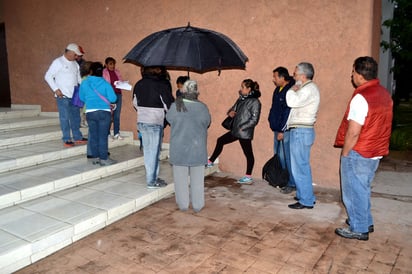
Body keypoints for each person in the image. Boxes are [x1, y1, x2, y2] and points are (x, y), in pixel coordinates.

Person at [334, 56, 393, 241]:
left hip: (359, 151)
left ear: (359, 75)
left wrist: (345, 153)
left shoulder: (362, 97)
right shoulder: (384, 93)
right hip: (375, 150)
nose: (352, 75)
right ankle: (365, 221)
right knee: (363, 188)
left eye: (353, 72)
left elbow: (353, 131)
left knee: (352, 191)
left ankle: (358, 228)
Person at [166, 80, 211, 212]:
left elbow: (169, 119)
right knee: (197, 179)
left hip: (179, 147)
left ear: (183, 91)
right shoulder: (202, 107)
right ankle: (198, 205)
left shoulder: (177, 105)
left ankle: (183, 205)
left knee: (180, 178)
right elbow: (207, 122)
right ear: (197, 92)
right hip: (197, 148)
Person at [208, 79, 261, 184]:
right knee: (221, 140)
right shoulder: (241, 99)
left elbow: (254, 119)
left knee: (248, 154)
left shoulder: (255, 102)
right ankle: (210, 161)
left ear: (249, 89)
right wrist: (230, 113)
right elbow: (232, 109)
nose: (240, 89)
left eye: (242, 87)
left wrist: (243, 127)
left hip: (244, 132)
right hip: (236, 130)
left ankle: (248, 176)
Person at [132, 66, 174, 189]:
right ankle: (152, 181)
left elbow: (134, 102)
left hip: (142, 120)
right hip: (155, 121)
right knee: (154, 153)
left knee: (148, 151)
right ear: (157, 71)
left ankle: (152, 177)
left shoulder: (139, 84)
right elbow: (168, 104)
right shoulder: (161, 84)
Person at [286, 62, 320, 209]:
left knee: (300, 166)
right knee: (300, 166)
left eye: (295, 74)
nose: (293, 77)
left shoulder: (308, 89)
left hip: (301, 131)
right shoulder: (306, 88)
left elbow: (291, 101)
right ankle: (303, 194)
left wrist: (291, 89)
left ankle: (306, 200)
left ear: (303, 75)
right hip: (300, 130)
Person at [44, 43, 88, 147]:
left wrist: (85, 87)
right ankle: (66, 138)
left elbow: (78, 79)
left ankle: (77, 137)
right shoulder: (58, 62)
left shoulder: (75, 64)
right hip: (62, 96)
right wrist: (56, 89)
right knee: (65, 117)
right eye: (75, 54)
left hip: (74, 95)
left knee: (76, 117)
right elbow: (48, 76)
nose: (77, 57)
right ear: (70, 52)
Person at [79, 62, 117, 166]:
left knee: (94, 135)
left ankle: (95, 157)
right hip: (104, 112)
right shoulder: (105, 83)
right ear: (101, 72)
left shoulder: (85, 83)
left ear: (91, 71)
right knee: (103, 136)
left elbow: (81, 98)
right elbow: (113, 98)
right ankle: (104, 158)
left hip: (90, 112)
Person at [268, 66, 296, 194]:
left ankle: (291, 183)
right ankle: (282, 180)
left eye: (275, 77)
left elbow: (287, 112)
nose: (273, 79)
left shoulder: (289, 90)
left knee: (286, 157)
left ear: (282, 77)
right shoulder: (278, 90)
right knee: (279, 156)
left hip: (284, 130)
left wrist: (282, 131)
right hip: (277, 128)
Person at [103, 57, 124, 140]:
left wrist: (122, 83)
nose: (112, 66)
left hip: (118, 94)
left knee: (117, 115)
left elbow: (120, 81)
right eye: (110, 64)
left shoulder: (117, 72)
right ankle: (107, 134)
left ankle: (116, 133)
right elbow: (104, 84)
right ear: (106, 64)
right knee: (108, 115)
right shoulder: (103, 73)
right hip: (108, 96)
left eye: (113, 64)